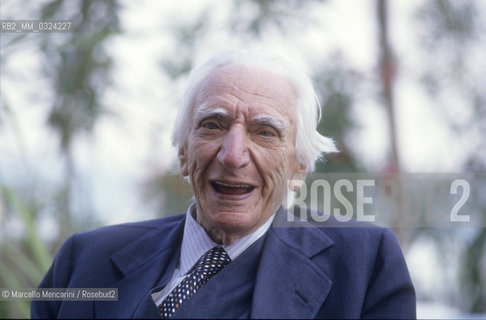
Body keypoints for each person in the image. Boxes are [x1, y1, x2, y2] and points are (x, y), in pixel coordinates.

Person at [31, 50, 416, 319]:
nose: (233, 155)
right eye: (212, 125)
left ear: (298, 167)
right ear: (183, 152)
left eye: (265, 132)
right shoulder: (83, 262)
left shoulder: (364, 265)